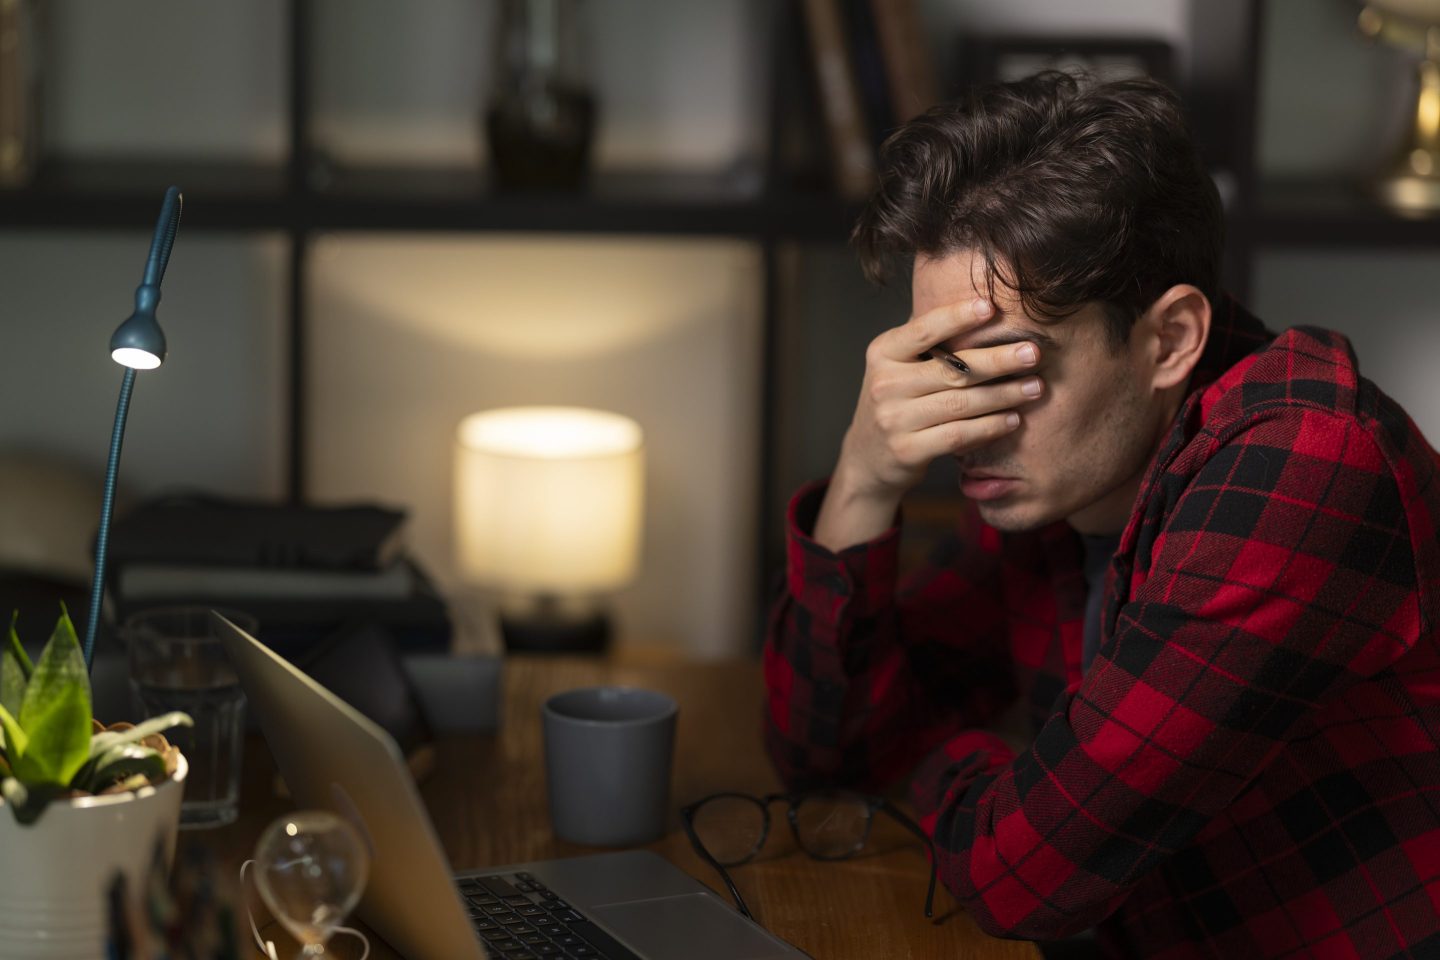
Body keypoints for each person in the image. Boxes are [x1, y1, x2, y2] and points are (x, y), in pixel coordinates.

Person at [763, 71, 1440, 959]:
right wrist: (863, 476)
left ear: (1169, 341)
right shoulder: (1058, 466)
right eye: (944, 365)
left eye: (1011, 364)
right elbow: (831, 756)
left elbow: (1021, 876)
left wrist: (942, 760)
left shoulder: (1308, 465)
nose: (966, 423)